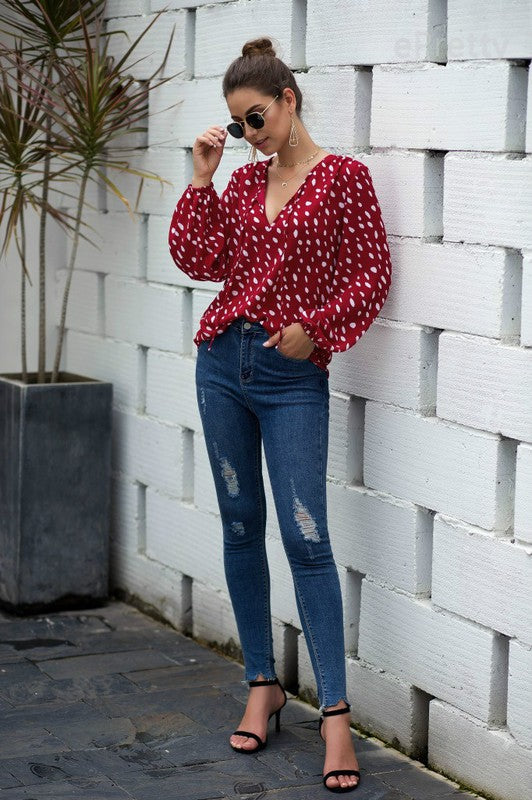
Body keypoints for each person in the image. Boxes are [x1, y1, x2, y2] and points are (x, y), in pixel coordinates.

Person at [168, 36, 392, 794]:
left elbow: (372, 275)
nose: (249, 136)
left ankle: (334, 716)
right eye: (238, 127)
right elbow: (199, 261)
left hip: (291, 374)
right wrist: (202, 180)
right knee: (238, 524)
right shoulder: (238, 185)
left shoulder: (344, 180)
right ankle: (261, 683)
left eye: (256, 119)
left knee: (306, 537)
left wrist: (318, 330)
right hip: (221, 365)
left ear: (289, 101)